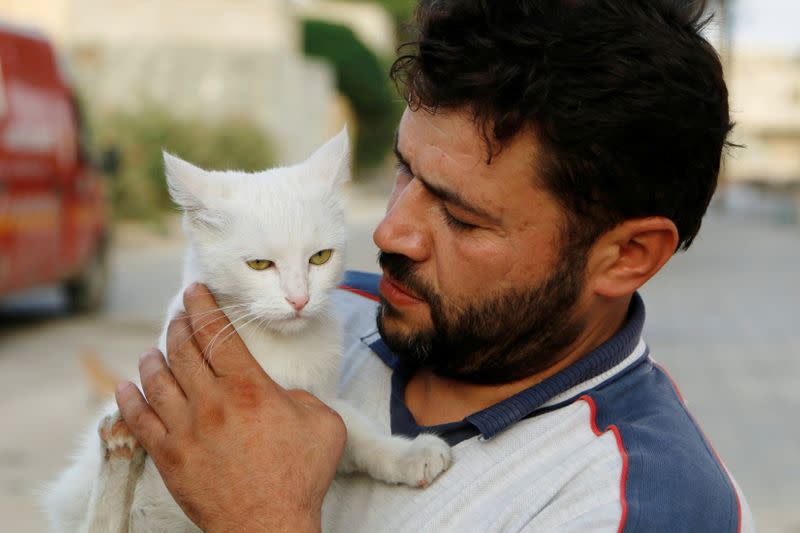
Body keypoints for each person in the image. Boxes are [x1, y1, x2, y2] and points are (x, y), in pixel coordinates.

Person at [115, 0, 755, 531]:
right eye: (404, 169)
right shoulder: (325, 314)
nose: (390, 231)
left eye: (462, 217)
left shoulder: (645, 505)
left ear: (625, 257)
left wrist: (267, 520)